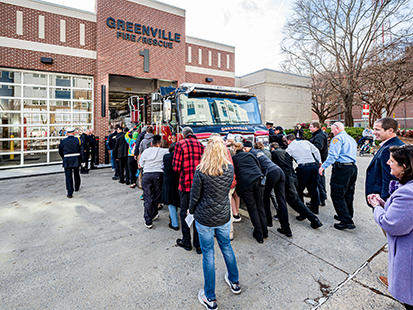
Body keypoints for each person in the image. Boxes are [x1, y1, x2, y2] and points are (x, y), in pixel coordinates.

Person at [188, 136, 241, 310]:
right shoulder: (229, 168)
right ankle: (234, 282)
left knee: (208, 255)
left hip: (205, 218)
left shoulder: (201, 170)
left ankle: (210, 297)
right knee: (226, 247)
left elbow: (195, 196)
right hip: (223, 216)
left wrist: (191, 210)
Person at [368, 144, 413, 310]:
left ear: (404, 167)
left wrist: (376, 206)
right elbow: (404, 214)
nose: (388, 163)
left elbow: (391, 224)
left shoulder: (407, 192)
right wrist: (384, 204)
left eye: (392, 161)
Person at [270, 142, 323, 229]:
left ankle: (313, 218)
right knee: (292, 200)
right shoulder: (285, 152)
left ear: (272, 148)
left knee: (294, 200)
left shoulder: (274, 153)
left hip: (287, 179)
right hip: (294, 176)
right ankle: (307, 214)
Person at [246, 141, 293, 237]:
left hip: (270, 173)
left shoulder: (250, 154)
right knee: (282, 201)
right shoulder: (259, 152)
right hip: (279, 171)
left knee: (265, 198)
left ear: (247, 148)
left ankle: (268, 222)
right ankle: (286, 229)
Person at [319, 122, 357, 230]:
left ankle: (346, 221)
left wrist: (323, 167)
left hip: (342, 169)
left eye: (332, 129)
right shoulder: (350, 138)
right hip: (352, 168)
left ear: (337, 128)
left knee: (337, 194)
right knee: (348, 193)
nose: (331, 132)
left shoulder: (337, 139)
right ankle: (347, 214)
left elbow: (333, 156)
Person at [173, 127, 204, 253]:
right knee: (198, 213)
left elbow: (175, 167)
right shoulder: (201, 146)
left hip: (185, 184)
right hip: (199, 186)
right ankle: (198, 244)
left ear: (183, 134)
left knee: (184, 212)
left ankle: (186, 241)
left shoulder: (180, 145)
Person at [232, 141, 268, 243]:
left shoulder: (234, 159)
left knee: (252, 208)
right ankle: (265, 231)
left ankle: (259, 234)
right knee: (260, 206)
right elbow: (258, 166)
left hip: (246, 184)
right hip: (258, 180)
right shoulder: (250, 155)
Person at [366, 118, 404, 204]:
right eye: (374, 129)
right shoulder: (396, 145)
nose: (374, 132)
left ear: (390, 131)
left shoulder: (389, 149)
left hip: (383, 200)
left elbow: (389, 178)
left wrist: (383, 202)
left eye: (377, 129)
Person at [284, 134, 321, 214]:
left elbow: (287, 161)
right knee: (313, 188)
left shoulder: (289, 148)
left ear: (288, 141)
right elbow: (316, 151)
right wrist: (319, 162)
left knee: (300, 189)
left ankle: (303, 211)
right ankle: (315, 208)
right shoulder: (306, 142)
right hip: (313, 166)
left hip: (303, 168)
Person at [139, 134, 169, 229]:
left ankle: (148, 220)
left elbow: (141, 164)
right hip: (158, 175)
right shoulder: (164, 151)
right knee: (157, 196)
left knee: (148, 197)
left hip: (147, 175)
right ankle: (154, 213)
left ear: (151, 143)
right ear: (160, 143)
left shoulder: (146, 151)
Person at [58, 127, 83, 198]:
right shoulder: (78, 140)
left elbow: (60, 151)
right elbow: (81, 150)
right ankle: (77, 187)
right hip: (76, 159)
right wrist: (82, 160)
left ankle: (70, 192)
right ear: (74, 132)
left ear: (67, 133)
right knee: (76, 174)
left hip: (67, 160)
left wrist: (64, 157)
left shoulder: (63, 141)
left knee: (68, 176)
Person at [161, 142, 180, 231]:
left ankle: (174, 223)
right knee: (178, 201)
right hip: (179, 181)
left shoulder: (166, 157)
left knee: (171, 203)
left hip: (168, 182)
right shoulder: (181, 157)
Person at [309, 122, 328, 206]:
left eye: (311, 127)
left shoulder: (319, 135)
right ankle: (321, 196)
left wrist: (309, 147)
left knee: (318, 179)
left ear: (316, 128)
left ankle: (321, 197)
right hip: (319, 159)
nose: (309, 128)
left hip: (318, 159)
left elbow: (318, 147)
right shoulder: (317, 134)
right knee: (319, 178)